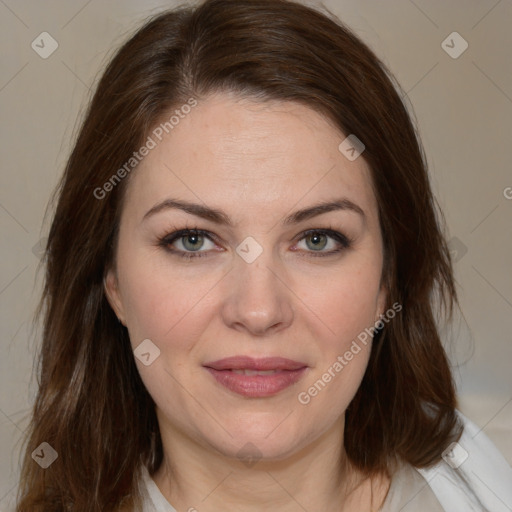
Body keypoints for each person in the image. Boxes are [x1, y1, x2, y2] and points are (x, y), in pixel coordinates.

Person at [16, 0, 512, 511]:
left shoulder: (481, 479)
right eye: (192, 240)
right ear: (111, 279)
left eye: (318, 239)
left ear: (388, 276)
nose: (259, 311)